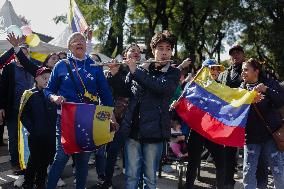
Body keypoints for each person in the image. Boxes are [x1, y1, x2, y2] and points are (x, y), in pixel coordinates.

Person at [44, 32, 115, 189]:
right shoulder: (61, 65)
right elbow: (48, 90)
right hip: (64, 119)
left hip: (88, 120)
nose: (79, 42)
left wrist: (111, 115)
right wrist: (54, 98)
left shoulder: (94, 66)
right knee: (61, 157)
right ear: (69, 46)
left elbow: (105, 94)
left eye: (82, 40)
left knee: (83, 159)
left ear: (86, 45)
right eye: (75, 41)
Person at [123, 30, 180, 189]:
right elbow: (128, 90)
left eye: (168, 48)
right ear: (153, 50)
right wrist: (116, 72)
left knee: (150, 179)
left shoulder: (173, 72)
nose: (164, 52)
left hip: (154, 132)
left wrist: (137, 71)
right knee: (131, 177)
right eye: (160, 48)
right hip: (133, 130)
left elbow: (160, 87)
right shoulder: (143, 67)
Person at [97, 43, 142, 189]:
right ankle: (107, 180)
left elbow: (130, 92)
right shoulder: (118, 69)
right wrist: (112, 73)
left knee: (130, 154)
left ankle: (134, 181)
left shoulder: (142, 71)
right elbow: (109, 91)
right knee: (110, 151)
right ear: (125, 55)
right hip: (114, 118)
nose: (135, 53)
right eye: (132, 51)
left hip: (134, 119)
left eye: (138, 51)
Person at [240, 58, 284, 189]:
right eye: (242, 70)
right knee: (248, 172)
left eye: (246, 69)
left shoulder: (270, 84)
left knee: (277, 170)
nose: (243, 73)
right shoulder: (241, 88)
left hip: (271, 136)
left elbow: (281, 101)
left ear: (256, 71)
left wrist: (266, 90)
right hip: (251, 138)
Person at [183, 59, 226, 189]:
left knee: (221, 162)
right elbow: (185, 103)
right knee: (193, 162)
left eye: (217, 69)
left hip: (214, 131)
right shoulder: (193, 86)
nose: (215, 71)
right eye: (211, 68)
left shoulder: (223, 89)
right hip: (196, 130)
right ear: (204, 70)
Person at [19, 67, 56, 189]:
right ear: (36, 78)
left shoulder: (53, 95)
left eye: (49, 78)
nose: (47, 80)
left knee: (46, 160)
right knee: (34, 159)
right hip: (35, 135)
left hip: (50, 134)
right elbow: (23, 115)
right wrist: (33, 129)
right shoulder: (29, 94)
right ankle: (28, 182)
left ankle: (40, 182)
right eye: (44, 78)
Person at [0, 44, 34, 174]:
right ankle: (15, 163)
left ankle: (28, 162)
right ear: (15, 55)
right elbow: (3, 89)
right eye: (20, 53)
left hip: (29, 110)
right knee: (14, 138)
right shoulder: (9, 68)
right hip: (13, 109)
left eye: (25, 54)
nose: (23, 56)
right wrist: (1, 107)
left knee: (28, 138)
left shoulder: (32, 68)